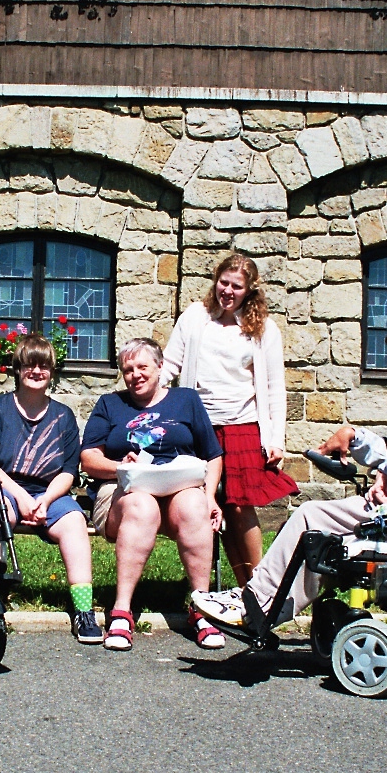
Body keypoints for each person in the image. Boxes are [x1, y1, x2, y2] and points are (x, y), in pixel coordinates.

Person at [191, 330, 387, 630]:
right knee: (322, 536)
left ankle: (252, 602)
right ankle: (263, 609)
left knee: (310, 518)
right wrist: (354, 437)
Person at [161, 252, 296, 599]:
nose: (228, 291)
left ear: (249, 290)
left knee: (238, 506)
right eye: (224, 282)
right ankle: (225, 590)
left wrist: (276, 439)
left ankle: (260, 589)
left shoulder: (263, 328)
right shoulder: (195, 317)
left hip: (242, 424)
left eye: (237, 286)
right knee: (203, 507)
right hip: (198, 424)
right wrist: (151, 398)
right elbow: (171, 363)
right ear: (215, 280)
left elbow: (274, 387)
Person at [80, 337, 225, 651]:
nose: (135, 375)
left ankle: (202, 608)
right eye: (128, 369)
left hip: (179, 488)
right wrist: (120, 466)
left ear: (160, 367)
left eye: (142, 367)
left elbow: (213, 455)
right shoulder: (110, 404)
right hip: (123, 492)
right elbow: (89, 458)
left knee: (194, 504)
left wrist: (210, 496)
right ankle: (121, 611)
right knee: (142, 505)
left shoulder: (186, 400)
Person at [0, 335, 100, 644]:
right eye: (29, 365)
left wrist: (45, 500)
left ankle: (84, 611)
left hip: (49, 493)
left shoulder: (63, 416)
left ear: (52, 371)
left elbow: (68, 471)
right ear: (18, 369)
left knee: (75, 522)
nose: (36, 371)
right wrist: (21, 497)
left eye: (44, 365)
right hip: (4, 488)